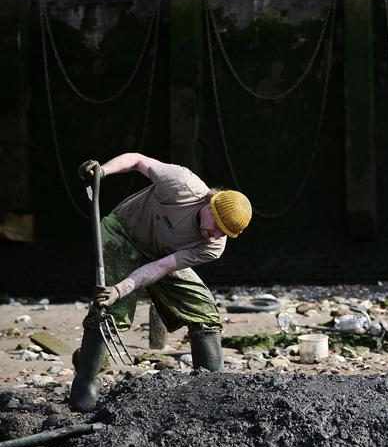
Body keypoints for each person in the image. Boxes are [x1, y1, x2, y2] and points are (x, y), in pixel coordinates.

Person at [69, 153, 252, 411]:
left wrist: (122, 288)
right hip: (122, 233)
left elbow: (161, 267)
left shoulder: (213, 245)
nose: (217, 235)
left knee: (204, 311)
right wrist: (104, 172)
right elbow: (136, 160)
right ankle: (84, 387)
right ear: (210, 206)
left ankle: (210, 392)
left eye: (225, 233)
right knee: (112, 310)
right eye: (218, 226)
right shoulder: (180, 184)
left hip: (162, 255)